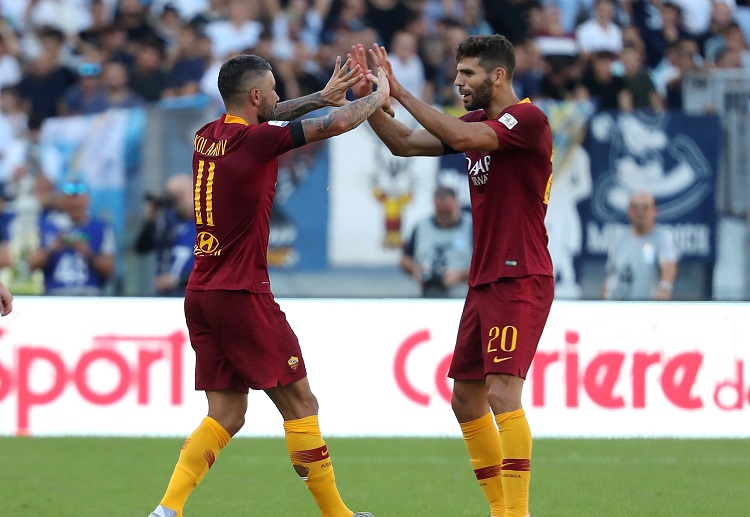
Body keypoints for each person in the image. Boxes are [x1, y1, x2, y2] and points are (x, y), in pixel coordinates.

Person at [147, 53, 390, 517]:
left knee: (228, 414)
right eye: (274, 88)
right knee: (301, 403)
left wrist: (319, 95)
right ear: (256, 95)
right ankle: (338, 515)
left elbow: (274, 114)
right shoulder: (255, 143)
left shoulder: (208, 137)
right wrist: (379, 95)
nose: (279, 97)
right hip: (242, 293)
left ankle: (168, 510)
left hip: (201, 293)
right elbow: (336, 125)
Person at [349, 34, 554, 517]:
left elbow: (461, 140)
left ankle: (514, 515)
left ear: (498, 76)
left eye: (468, 75)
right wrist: (368, 100)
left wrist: (398, 92)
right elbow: (402, 143)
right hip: (484, 280)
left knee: (502, 391)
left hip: (519, 275)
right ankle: (499, 510)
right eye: (457, 73)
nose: (457, 82)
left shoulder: (527, 119)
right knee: (466, 399)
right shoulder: (479, 122)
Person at [28, 180, 116, 295]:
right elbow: (32, 264)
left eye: (79, 206)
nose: (76, 208)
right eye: (72, 206)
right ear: (63, 203)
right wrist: (53, 248)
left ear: (87, 202)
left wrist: (88, 253)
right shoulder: (47, 226)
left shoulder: (101, 228)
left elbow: (109, 269)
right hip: (55, 293)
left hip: (90, 294)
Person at [601, 191, 678, 301]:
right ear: (629, 211)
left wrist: (665, 287)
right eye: (635, 207)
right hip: (616, 303)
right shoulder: (619, 237)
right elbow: (611, 274)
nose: (640, 212)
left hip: (644, 306)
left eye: (645, 207)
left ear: (654, 210)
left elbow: (668, 264)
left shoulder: (661, 237)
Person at [400, 185, 472, 298]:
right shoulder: (421, 227)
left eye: (448, 211)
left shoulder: (472, 227)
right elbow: (405, 259)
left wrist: (461, 275)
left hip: (462, 299)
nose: (444, 216)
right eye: (440, 212)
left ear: (457, 203)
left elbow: (487, 264)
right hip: (425, 297)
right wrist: (416, 270)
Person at [134, 173, 196, 297]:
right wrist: (150, 219)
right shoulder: (166, 221)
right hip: (163, 298)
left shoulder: (205, 226)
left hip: (191, 296)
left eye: (179, 194)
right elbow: (141, 248)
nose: (176, 201)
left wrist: (176, 281)